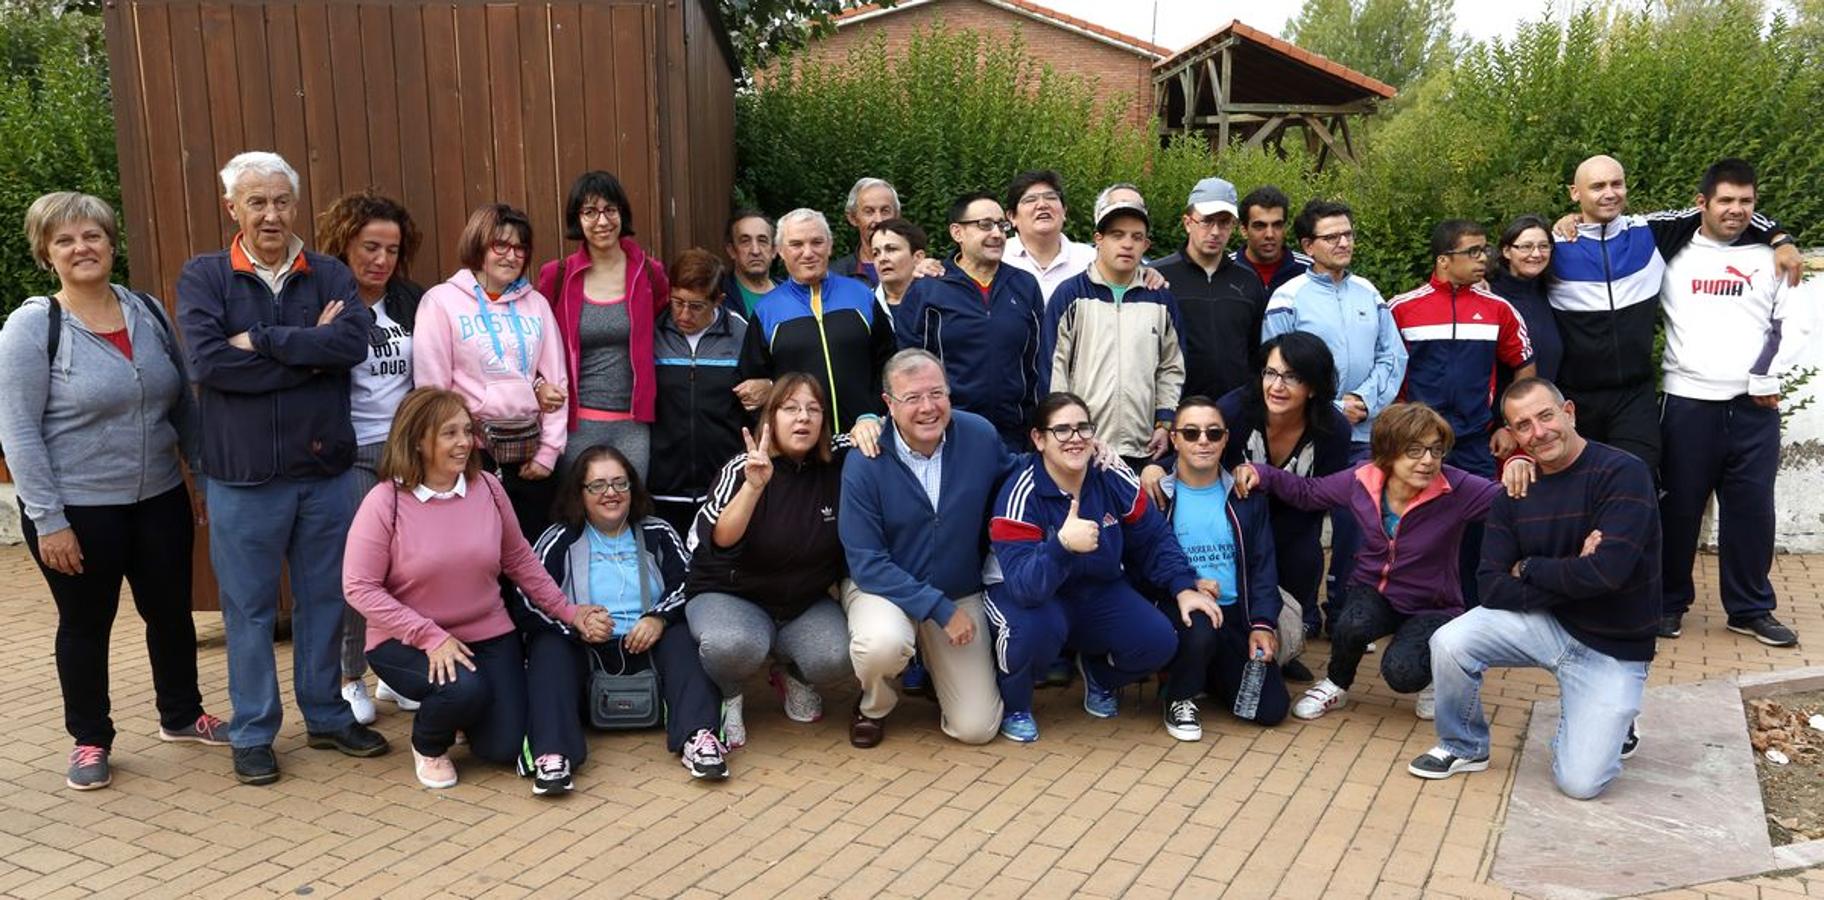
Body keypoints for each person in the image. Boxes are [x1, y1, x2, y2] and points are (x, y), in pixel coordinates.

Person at [0, 191, 223, 791]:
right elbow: (17, 430)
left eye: (92, 235)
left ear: (111, 241)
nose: (82, 248)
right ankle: (90, 738)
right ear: (47, 254)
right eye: (65, 240)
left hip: (157, 499)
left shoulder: (146, 311)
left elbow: (183, 403)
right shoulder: (32, 327)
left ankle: (181, 714)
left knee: (170, 613)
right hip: (77, 507)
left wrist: (198, 477)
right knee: (85, 624)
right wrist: (48, 520)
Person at [177, 151, 388, 785]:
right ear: (232, 208)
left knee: (325, 599)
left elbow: (352, 345)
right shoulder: (204, 277)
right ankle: (253, 731)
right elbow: (211, 365)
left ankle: (324, 716)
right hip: (241, 476)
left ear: (295, 206)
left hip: (323, 472)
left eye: (280, 201)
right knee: (249, 611)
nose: (270, 214)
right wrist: (307, 348)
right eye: (256, 202)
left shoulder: (326, 272)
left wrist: (263, 338)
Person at [343, 389, 609, 789]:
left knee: (503, 747)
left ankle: (467, 713)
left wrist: (567, 610)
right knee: (462, 689)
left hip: (488, 633)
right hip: (410, 642)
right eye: (449, 433)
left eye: (468, 431)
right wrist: (429, 636)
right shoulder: (385, 501)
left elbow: (519, 558)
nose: (464, 442)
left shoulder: (487, 486)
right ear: (418, 439)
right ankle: (429, 743)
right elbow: (359, 587)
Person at [1413, 378, 1656, 798]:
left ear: (1570, 412)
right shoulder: (1516, 491)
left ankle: (1615, 721)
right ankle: (1464, 745)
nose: (1538, 432)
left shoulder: (1623, 473)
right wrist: (1576, 570)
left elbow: (1609, 574)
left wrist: (1525, 568)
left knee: (1580, 785)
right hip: (1545, 627)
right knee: (1451, 641)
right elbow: (1490, 587)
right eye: (1523, 425)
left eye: (1546, 416)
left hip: (1612, 645)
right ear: (1512, 434)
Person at [1235, 403, 1520, 722]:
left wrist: (1521, 463)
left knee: (1402, 673)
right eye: (1414, 450)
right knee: (1351, 623)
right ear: (1389, 451)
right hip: (1376, 590)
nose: (1428, 461)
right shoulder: (1361, 480)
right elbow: (1308, 492)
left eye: (1436, 450)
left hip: (1433, 604)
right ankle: (1336, 683)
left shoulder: (1457, 487)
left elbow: (1510, 503)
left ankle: (1433, 678)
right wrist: (1261, 473)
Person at [1546, 154, 1799, 474]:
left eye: (1616, 183)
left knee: (1636, 484)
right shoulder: (1552, 245)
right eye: (1597, 186)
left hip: (1634, 396)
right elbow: (1513, 271)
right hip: (1573, 396)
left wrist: (1781, 240)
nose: (1609, 193)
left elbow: (1723, 208)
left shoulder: (1651, 231)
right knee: (1576, 491)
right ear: (1574, 193)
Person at [986, 392, 1214, 741]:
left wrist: (1183, 586)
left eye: (1082, 428)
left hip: (1095, 589)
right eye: (1061, 430)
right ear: (1038, 438)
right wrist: (1061, 546)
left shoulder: (1110, 472)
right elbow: (1023, 586)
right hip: (1031, 596)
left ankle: (1099, 675)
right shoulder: (1021, 491)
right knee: (1032, 632)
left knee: (1158, 639)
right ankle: (1017, 705)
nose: (1075, 438)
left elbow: (1152, 536)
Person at [1656, 158, 1812, 646]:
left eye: (1746, 201)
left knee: (1751, 512)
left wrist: (1764, 377)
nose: (1736, 210)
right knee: (1678, 510)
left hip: (1753, 409)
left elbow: (1793, 322)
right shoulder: (1670, 249)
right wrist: (1569, 221)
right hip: (1686, 404)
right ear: (1702, 203)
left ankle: (1749, 609)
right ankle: (1666, 603)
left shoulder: (1772, 258)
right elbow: (1616, 221)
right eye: (1725, 200)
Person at [520, 445, 726, 790]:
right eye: (597, 485)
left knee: (684, 636)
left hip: (646, 644)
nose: (611, 493)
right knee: (547, 647)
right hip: (584, 648)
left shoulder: (657, 531)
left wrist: (658, 618)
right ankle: (553, 752)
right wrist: (574, 622)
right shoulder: (559, 538)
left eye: (620, 483)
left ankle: (699, 738)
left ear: (633, 487)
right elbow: (529, 600)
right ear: (579, 493)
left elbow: (690, 583)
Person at [839, 350, 1016, 747]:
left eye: (937, 394)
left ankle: (940, 673)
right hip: (883, 590)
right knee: (882, 642)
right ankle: (873, 706)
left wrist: (1082, 454)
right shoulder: (866, 458)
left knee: (977, 729)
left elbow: (1020, 474)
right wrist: (938, 609)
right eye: (912, 398)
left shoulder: (979, 435)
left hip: (957, 587)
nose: (927, 408)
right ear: (888, 404)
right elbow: (867, 564)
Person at [684, 374, 858, 749]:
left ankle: (791, 672)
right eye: (791, 408)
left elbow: (871, 431)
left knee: (837, 654)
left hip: (800, 602)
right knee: (734, 646)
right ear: (771, 417)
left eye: (813, 409)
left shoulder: (837, 462)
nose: (803, 418)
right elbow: (719, 539)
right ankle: (728, 693)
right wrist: (754, 486)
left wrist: (869, 423)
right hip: (730, 594)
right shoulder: (743, 468)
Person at [1261, 199, 1407, 622]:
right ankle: (1297, 615)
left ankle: (1346, 610)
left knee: (1358, 527)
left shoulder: (1369, 292)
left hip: (1364, 435)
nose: (1344, 242)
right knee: (1300, 530)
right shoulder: (1287, 298)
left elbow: (1392, 356)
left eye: (1348, 234)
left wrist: (1364, 400)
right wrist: (1333, 407)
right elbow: (1277, 365)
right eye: (1332, 236)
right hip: (1307, 433)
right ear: (1308, 244)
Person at [314, 189, 427, 725]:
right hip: (350, 451)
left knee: (410, 570)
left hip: (405, 451)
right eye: (370, 247)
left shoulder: (410, 300)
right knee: (361, 571)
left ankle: (395, 671)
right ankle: (348, 676)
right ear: (345, 244)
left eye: (391, 249)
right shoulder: (323, 299)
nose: (381, 260)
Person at [1389, 219, 1535, 607]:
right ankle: (1409, 607)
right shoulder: (1402, 309)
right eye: (1472, 251)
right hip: (1418, 444)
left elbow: (1524, 366)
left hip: (1474, 441)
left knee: (1478, 525)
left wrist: (1510, 426)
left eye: (1484, 250)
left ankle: (1473, 606)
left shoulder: (1499, 309)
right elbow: (1388, 372)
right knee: (1414, 523)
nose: (1482, 258)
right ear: (1443, 260)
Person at [415, 203, 569, 542]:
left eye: (520, 248)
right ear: (478, 244)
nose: (511, 255)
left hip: (529, 453)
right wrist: (456, 450)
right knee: (478, 554)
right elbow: (432, 390)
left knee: (533, 555)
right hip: (472, 453)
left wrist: (549, 453)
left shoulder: (537, 304)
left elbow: (557, 383)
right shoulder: (440, 302)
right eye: (500, 244)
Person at [1152, 396, 1291, 737]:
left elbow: (1263, 568)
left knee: (1270, 709)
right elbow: (1144, 562)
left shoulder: (1246, 496)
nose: (1203, 441)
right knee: (1199, 630)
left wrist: (1262, 625)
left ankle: (1206, 674)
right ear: (1174, 439)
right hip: (1181, 608)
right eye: (1191, 432)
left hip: (1235, 614)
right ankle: (1179, 696)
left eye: (1213, 433)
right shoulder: (1159, 495)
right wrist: (1187, 584)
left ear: (1226, 438)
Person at [1209, 332, 1351, 650]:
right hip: (1233, 521)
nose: (1277, 386)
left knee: (1304, 560)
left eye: (1292, 377)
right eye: (1270, 373)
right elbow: (1197, 455)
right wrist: (1156, 468)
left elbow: (1327, 492)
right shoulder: (1234, 410)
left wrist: (1267, 476)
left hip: (1297, 524)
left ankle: (1287, 648)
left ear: (1313, 386)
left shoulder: (1333, 428)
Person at [537, 170, 671, 477]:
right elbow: (533, 342)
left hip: (633, 424)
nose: (602, 221)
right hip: (574, 423)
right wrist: (538, 385)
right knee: (575, 513)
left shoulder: (650, 273)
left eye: (610, 210)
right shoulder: (556, 275)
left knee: (628, 510)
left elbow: (664, 320)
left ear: (622, 213)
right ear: (577, 219)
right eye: (590, 212)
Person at [1043, 189, 1186, 471]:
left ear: (1146, 245)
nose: (1127, 244)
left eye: (1136, 237)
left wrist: (1164, 422)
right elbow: (1054, 367)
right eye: (1117, 235)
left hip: (1143, 446)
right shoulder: (1070, 295)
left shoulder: (1161, 298)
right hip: (1082, 444)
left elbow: (1172, 367)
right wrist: (1065, 430)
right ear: (1099, 240)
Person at [893, 193, 1045, 451]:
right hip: (949, 437)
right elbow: (907, 365)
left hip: (1014, 438)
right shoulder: (928, 290)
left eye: (1002, 225)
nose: (997, 234)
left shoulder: (1024, 286)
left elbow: (1038, 362)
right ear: (957, 232)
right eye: (985, 225)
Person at [738, 208, 897, 432]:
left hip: (864, 439)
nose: (808, 252)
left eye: (817, 242)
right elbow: (753, 385)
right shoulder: (766, 309)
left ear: (830, 246)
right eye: (796, 244)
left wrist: (873, 413)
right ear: (780, 251)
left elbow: (889, 363)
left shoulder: (861, 295)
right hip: (801, 448)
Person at [649, 249, 750, 533]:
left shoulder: (741, 333)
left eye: (696, 306)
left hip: (723, 484)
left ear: (718, 300)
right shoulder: (653, 330)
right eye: (677, 302)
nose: (683, 314)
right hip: (663, 485)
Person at [1152, 177, 1268, 404]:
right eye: (1206, 221)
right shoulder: (1158, 277)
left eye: (1224, 222)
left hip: (1237, 409)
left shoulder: (1248, 281)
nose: (1215, 231)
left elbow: (1256, 351)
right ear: (1188, 222)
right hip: (1176, 410)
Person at [1002, 170, 1098, 304]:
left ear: (1064, 211)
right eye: (1030, 199)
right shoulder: (998, 257)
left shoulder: (1092, 260)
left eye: (1051, 197)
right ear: (1012, 217)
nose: (1042, 205)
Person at [1233, 185, 1311, 295]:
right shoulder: (1225, 270)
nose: (1269, 234)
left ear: (1285, 228)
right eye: (1260, 226)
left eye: (1277, 225)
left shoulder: (1308, 270)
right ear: (1244, 230)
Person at [831, 177, 901, 286]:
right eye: (869, 211)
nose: (879, 220)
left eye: (885, 211)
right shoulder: (835, 276)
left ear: (897, 215)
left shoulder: (916, 270)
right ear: (853, 218)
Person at [723, 209, 777, 316]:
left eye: (762, 241)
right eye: (745, 241)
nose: (755, 251)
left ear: (774, 250)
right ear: (731, 250)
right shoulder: (718, 298)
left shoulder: (793, 295)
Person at [868, 217, 928, 312]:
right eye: (876, 253)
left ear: (918, 257)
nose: (882, 259)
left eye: (891, 249)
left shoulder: (939, 298)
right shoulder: (863, 304)